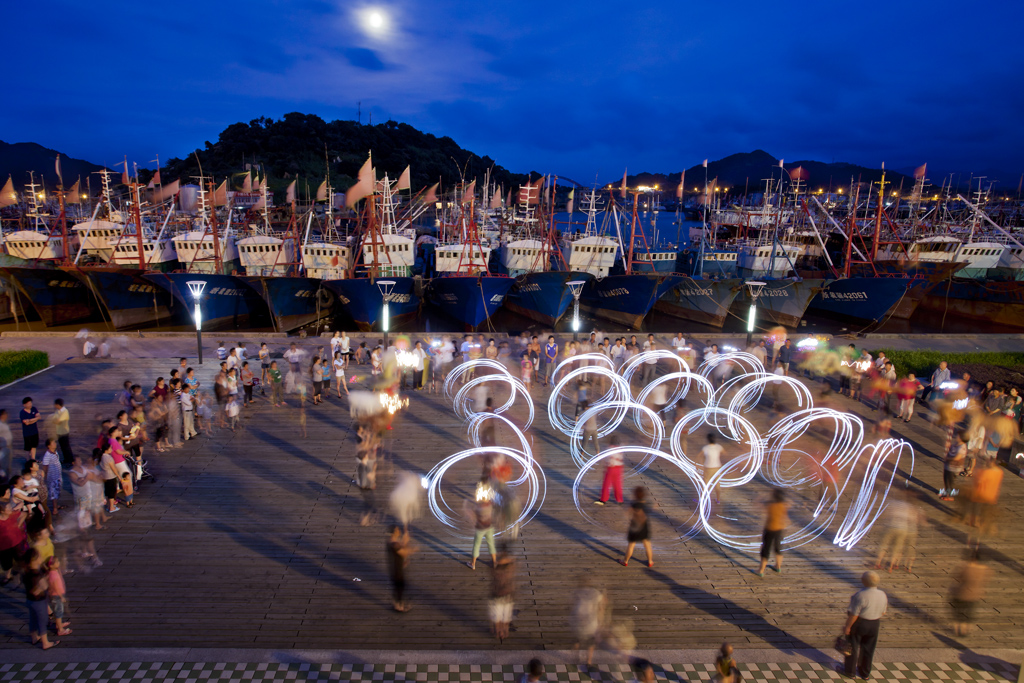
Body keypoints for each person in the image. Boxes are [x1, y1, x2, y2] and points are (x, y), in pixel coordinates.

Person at [841, 571, 887, 680]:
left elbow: (854, 614)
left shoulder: (860, 595)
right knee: (869, 649)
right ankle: (865, 672)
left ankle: (850, 671)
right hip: (875, 623)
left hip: (860, 623)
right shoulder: (882, 594)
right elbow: (883, 612)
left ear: (863, 581)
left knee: (853, 647)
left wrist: (847, 627)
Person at [873, 487, 920, 572]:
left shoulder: (892, 503)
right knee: (897, 548)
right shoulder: (908, 506)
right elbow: (913, 519)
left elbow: (886, 515)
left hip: (890, 526)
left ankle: (878, 563)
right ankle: (891, 566)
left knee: (884, 545)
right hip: (903, 529)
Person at [22, 549, 59, 649]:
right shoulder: (36, 575)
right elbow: (38, 589)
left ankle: (34, 638)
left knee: (33, 619)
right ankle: (45, 643)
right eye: (39, 556)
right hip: (39, 601)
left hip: (29, 601)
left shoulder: (26, 572)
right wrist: (43, 585)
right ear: (35, 559)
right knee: (42, 621)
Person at [950, 550, 988, 637]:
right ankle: (966, 629)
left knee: (958, 612)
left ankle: (959, 629)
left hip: (961, 593)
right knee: (969, 613)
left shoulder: (964, 568)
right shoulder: (984, 570)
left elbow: (957, 579)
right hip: (974, 595)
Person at [571, 578, 606, 666]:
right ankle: (588, 661)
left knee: (576, 641)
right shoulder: (596, 593)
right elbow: (601, 609)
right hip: (591, 624)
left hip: (577, 623)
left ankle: (576, 658)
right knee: (591, 643)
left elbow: (572, 605)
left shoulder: (577, 592)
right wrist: (601, 622)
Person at [466, 479, 497, 570]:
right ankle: (495, 562)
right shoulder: (491, 504)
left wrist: (466, 507)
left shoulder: (478, 507)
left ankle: (473, 564)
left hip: (480, 528)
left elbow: (473, 515)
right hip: (489, 527)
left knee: (476, 545)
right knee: (491, 544)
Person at [757, 488, 788, 577]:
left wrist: (762, 496)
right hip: (780, 529)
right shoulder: (783, 505)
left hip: (770, 528)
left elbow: (757, 504)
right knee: (778, 547)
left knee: (766, 549)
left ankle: (761, 570)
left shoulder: (770, 505)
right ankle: (778, 566)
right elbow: (785, 517)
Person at [386, 525, 417, 612]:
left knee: (399, 587)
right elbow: (403, 553)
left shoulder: (392, 541)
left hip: (397, 568)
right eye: (397, 530)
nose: (399, 530)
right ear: (394, 532)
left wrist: (405, 540)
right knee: (400, 586)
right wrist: (413, 550)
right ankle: (398, 606)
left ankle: (399, 603)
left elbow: (402, 547)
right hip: (397, 570)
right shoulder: (394, 544)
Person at [621, 486, 652, 568]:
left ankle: (625, 561)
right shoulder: (645, 504)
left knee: (631, 545)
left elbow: (627, 513)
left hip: (634, 527)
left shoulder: (633, 504)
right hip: (643, 526)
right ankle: (650, 561)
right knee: (647, 545)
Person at [490, 547, 516, 640]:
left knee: (497, 618)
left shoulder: (496, 568)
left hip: (497, 596)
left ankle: (499, 632)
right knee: (505, 618)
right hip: (507, 596)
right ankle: (504, 631)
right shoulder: (510, 568)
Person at [0, 501, 28, 586]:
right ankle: (8, 576)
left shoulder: (12, 514)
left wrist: (19, 523)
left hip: (17, 542)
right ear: (2, 511)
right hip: (3, 546)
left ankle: (25, 574)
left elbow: (24, 514)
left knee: (21, 560)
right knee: (6, 563)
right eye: (8, 508)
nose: (11, 508)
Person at [596, 435, 624, 505]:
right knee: (617, 484)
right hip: (618, 468)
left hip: (610, 468)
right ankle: (619, 500)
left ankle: (604, 499)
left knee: (606, 484)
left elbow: (607, 459)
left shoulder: (609, 448)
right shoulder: (620, 449)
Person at [939, 432, 967, 501]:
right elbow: (950, 450)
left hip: (954, 467)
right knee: (946, 479)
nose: (956, 437)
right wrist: (948, 446)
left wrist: (948, 459)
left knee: (951, 481)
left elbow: (957, 458)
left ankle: (951, 496)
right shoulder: (956, 444)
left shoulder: (962, 447)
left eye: (958, 436)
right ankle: (946, 493)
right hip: (948, 465)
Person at [40, 439, 62, 516]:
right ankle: (55, 509)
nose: (55, 443)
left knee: (57, 491)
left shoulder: (55, 452)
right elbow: (45, 467)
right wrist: (45, 477)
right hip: (52, 478)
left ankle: (56, 505)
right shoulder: (47, 455)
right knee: (54, 493)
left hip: (57, 476)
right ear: (48, 446)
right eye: (53, 443)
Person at [702, 433, 724, 504]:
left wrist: (697, 464)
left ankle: (703, 499)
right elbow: (725, 453)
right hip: (717, 468)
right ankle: (718, 500)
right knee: (717, 484)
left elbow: (699, 456)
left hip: (708, 468)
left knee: (705, 484)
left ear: (708, 439)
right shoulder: (718, 447)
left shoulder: (706, 448)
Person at [20, 396, 41, 462]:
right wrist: (35, 419)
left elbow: (39, 417)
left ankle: (33, 459)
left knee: (34, 446)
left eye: (31, 403)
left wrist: (30, 420)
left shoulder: (34, 409)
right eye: (28, 403)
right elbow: (26, 423)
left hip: (34, 431)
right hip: (27, 433)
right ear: (24, 405)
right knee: (27, 448)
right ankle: (28, 460)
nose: (30, 405)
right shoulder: (22, 412)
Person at [52, 399, 72, 465]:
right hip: (59, 432)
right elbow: (54, 420)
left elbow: (58, 420)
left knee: (66, 447)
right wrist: (56, 420)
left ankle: (70, 460)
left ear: (58, 405)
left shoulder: (65, 412)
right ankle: (66, 459)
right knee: (63, 447)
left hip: (64, 432)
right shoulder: (57, 411)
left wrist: (56, 420)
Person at [0, 410, 11, 480]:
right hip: (2, 448)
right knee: (2, 466)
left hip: (6, 447)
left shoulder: (4, 424)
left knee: (6, 465)